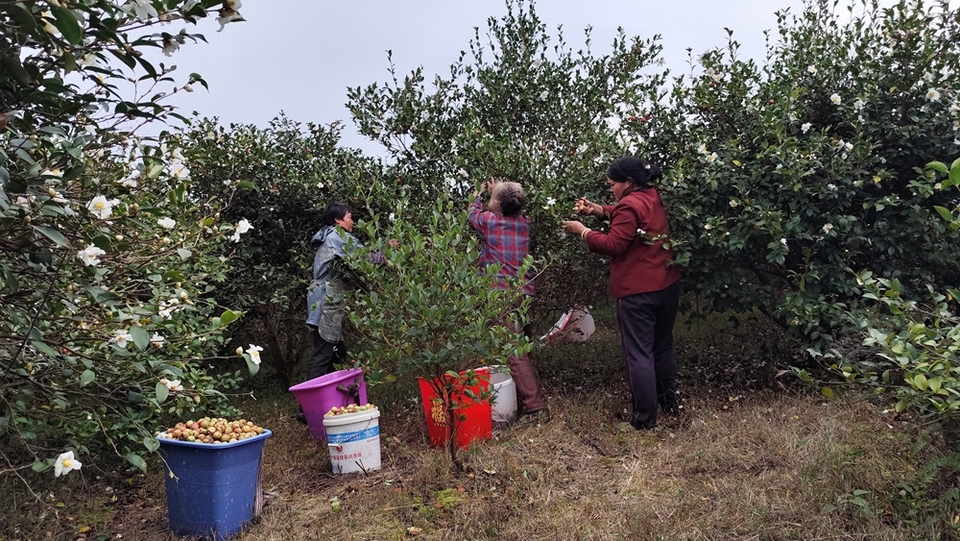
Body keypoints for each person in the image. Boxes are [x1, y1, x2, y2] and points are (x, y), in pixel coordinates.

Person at [561, 156, 681, 430]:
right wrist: (598, 210)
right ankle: (669, 405)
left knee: (638, 354)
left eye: (613, 183)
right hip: (666, 283)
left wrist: (583, 232)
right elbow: (630, 216)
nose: (610, 187)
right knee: (661, 347)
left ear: (628, 182)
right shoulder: (650, 194)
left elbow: (615, 244)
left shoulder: (628, 204)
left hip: (638, 290)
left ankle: (643, 419)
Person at [468, 179, 548, 424]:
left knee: (514, 353)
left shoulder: (490, 223)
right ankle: (523, 399)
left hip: (502, 296)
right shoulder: (525, 224)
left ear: (497, 204)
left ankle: (535, 409)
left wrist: (478, 195)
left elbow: (473, 213)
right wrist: (499, 194)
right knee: (521, 347)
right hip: (525, 294)